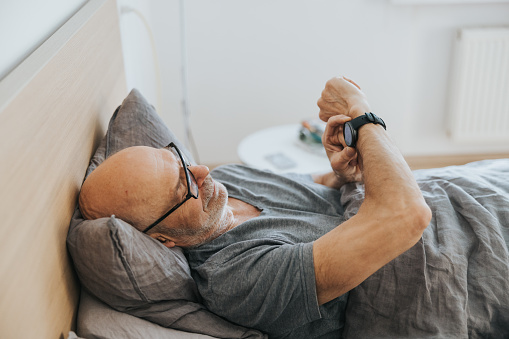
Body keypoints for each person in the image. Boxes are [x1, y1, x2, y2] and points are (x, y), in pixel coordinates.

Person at [79, 76, 433, 338]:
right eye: (183, 184)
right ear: (163, 239)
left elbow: (320, 186)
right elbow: (406, 216)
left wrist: (341, 175)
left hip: (447, 196)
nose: (201, 172)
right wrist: (361, 112)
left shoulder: (228, 176)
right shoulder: (234, 279)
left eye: (179, 160)